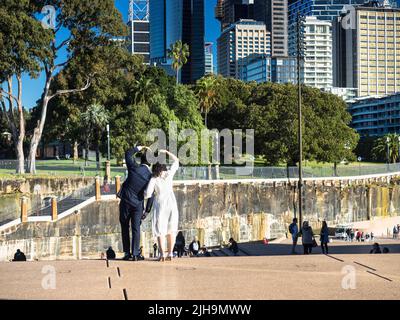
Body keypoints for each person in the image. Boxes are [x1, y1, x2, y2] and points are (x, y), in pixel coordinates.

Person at [117, 145, 154, 261]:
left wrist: (139, 148)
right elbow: (151, 194)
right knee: (136, 229)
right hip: (138, 204)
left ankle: (127, 253)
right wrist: (147, 210)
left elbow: (128, 153)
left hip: (125, 200)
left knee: (124, 227)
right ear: (150, 163)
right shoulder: (150, 177)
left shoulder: (134, 167)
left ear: (141, 160)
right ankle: (136, 254)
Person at [145, 149, 180, 262]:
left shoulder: (154, 178)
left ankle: (162, 255)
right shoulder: (169, 174)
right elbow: (177, 161)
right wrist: (167, 152)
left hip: (160, 203)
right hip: (171, 202)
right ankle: (170, 253)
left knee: (160, 229)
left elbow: (148, 193)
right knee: (171, 229)